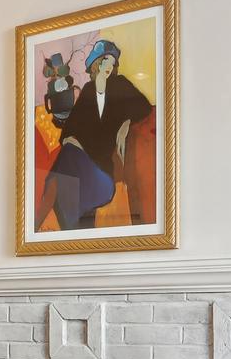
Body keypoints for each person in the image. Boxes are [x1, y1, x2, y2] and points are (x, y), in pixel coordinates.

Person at [42, 38, 155, 230]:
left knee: (63, 168)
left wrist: (127, 122)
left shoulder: (120, 85)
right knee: (68, 155)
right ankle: (68, 229)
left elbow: (143, 106)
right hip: (79, 161)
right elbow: (68, 131)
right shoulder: (88, 90)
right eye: (104, 60)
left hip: (101, 171)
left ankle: (50, 213)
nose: (108, 65)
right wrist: (73, 142)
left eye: (112, 61)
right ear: (95, 65)